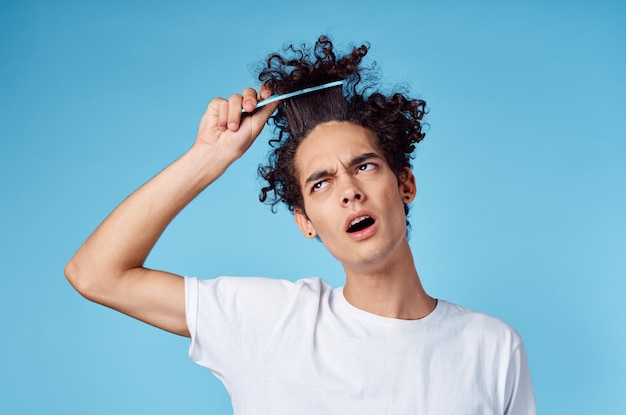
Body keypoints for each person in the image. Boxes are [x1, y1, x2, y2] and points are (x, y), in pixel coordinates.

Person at [65, 36, 536, 414]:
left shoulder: (492, 347)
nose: (349, 189)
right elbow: (95, 273)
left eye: (365, 166)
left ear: (405, 184)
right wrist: (208, 158)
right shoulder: (268, 322)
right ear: (305, 223)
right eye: (321, 183)